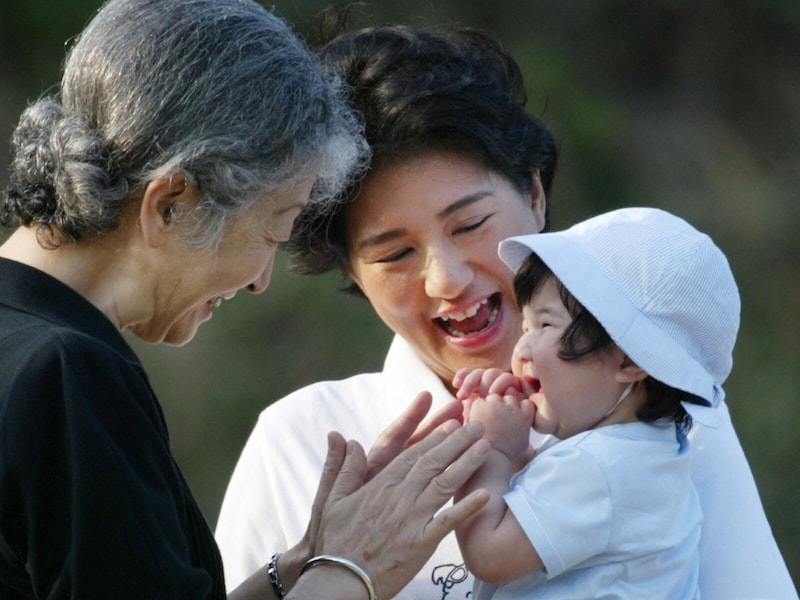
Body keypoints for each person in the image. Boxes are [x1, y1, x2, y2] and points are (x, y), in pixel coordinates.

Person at [215, 19, 798, 600]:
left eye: (470, 224)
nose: (447, 278)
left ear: (536, 195)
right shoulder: (302, 442)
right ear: (352, 273)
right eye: (393, 253)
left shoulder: (672, 420)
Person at [0, 1, 495, 598]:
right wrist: (353, 573)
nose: (261, 280)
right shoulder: (63, 374)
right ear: (171, 202)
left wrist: (309, 560)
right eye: (272, 230)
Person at [453, 206, 741, 598]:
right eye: (526, 325)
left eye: (546, 325)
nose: (521, 347)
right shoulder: (648, 452)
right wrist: (512, 443)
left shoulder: (598, 467)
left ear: (629, 359)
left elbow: (489, 553)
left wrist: (491, 449)